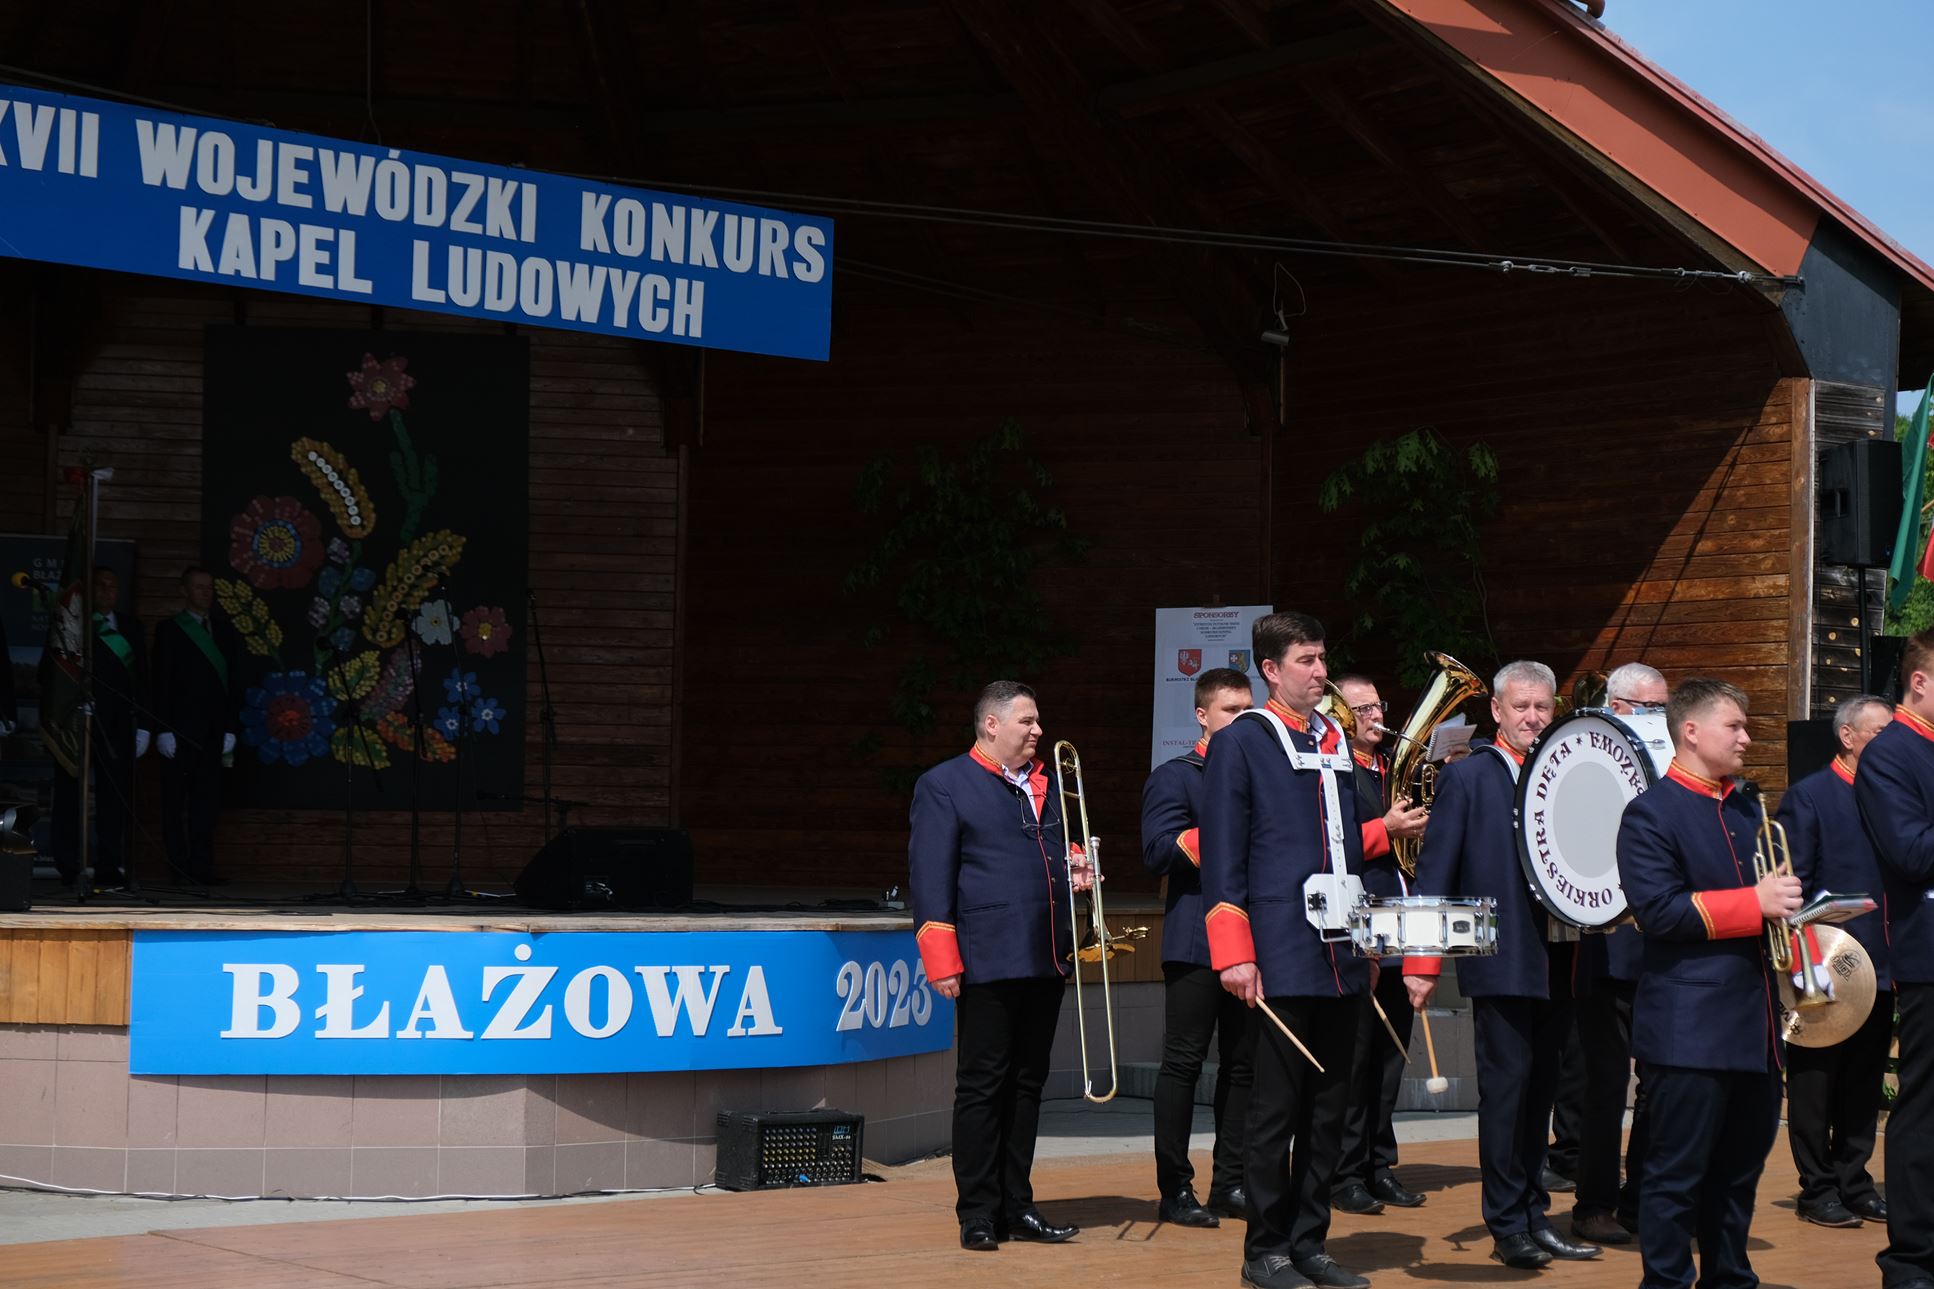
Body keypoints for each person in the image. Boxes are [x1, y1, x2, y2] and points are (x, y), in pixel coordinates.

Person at [1405, 660, 1600, 1270]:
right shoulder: (1468, 777)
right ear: (1496, 710)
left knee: (1542, 1095)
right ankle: (1507, 1222)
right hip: (1500, 957)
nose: (1533, 718)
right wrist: (1422, 960)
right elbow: (1434, 872)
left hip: (1561, 955)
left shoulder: (1567, 770)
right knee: (1507, 1095)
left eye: (1543, 707)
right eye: (1521, 707)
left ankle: (1535, 1215)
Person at [1202, 611, 1372, 1289]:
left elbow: (1348, 842)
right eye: (1307, 659)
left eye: (1322, 657)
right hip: (1277, 950)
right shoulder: (1242, 741)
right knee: (1274, 1111)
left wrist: (1367, 934)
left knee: (1329, 1110)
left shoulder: (1333, 736)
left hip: (1341, 949)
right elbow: (1222, 854)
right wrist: (1233, 951)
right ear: (1271, 670)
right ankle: (1264, 1251)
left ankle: (1310, 1242)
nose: (1320, 671)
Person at [1616, 677, 1797, 1289]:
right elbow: (1659, 911)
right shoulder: (1650, 813)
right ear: (1690, 731)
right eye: (1734, 726)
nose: (1747, 738)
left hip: (1756, 1026)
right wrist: (1755, 903)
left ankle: (1730, 1279)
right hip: (1689, 1032)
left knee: (1739, 1174)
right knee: (1674, 1178)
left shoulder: (1746, 808)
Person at [909, 680, 1094, 1254]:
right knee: (983, 1086)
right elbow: (929, 878)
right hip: (987, 956)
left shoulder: (1049, 784)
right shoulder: (944, 784)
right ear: (991, 725)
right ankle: (978, 1212)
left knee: (1027, 1085)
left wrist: (1078, 873)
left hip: (1046, 952)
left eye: (1037, 721)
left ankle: (1018, 1204)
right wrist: (941, 959)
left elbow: (1052, 856)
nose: (1038, 730)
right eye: (1027, 721)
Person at [1141, 666, 1259, 1228]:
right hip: (1194, 940)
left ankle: (1230, 1183)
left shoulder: (1260, 774)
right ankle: (1175, 1189)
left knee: (1244, 1066)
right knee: (1184, 1064)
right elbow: (1157, 851)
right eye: (1230, 710)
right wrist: (1226, 828)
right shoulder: (1176, 776)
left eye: (1247, 709)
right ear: (1201, 716)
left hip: (1253, 938)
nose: (1241, 718)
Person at [1558, 660, 1668, 1243]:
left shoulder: (1673, 762)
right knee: (1603, 1087)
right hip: (1607, 949)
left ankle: (1642, 1200)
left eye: (1664, 708)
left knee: (1659, 1084)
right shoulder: (1588, 758)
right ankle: (1592, 1204)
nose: (1660, 718)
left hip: (1662, 950)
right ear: (1619, 708)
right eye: (1651, 708)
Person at [1778, 692, 1892, 1229]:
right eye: (1880, 734)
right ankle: (1817, 1187)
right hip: (1821, 959)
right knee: (1815, 1081)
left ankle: (1854, 1180)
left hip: (1882, 961)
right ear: (1847, 736)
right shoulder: (1810, 796)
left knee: (1864, 1081)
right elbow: (1791, 886)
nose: (1891, 744)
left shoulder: (1892, 795)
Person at [1331, 672, 1429, 1217]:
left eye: (1378, 705)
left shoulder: (1395, 770)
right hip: (1360, 920)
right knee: (1357, 1056)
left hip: (1404, 921)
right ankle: (1344, 1172)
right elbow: (1332, 844)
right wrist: (1385, 828)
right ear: (1341, 715)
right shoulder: (1334, 769)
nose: (1376, 716)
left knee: (1393, 1053)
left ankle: (1378, 1163)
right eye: (1362, 708)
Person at [1853, 629, 1934, 1289]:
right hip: (1929, 953)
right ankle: (1912, 1257)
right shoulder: (1890, 755)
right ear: (1919, 681)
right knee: (1926, 1107)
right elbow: (1910, 851)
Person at [51, 567, 147, 890]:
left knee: (113, 798)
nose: (107, 591)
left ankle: (109, 865)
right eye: (100, 585)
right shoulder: (73, 623)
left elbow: (142, 678)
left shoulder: (131, 627)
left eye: (112, 586)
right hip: (79, 721)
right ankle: (69, 865)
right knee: (71, 795)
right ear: (89, 590)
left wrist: (144, 726)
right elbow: (56, 670)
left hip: (118, 725)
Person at [151, 565, 240, 884]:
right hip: (179, 730)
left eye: (209, 587)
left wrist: (230, 727)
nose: (206, 593)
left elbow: (234, 682)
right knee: (175, 802)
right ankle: (178, 867)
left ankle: (202, 868)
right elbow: (160, 681)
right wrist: (162, 728)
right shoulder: (170, 630)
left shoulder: (225, 631)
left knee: (206, 803)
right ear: (184, 590)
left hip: (214, 731)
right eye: (199, 587)